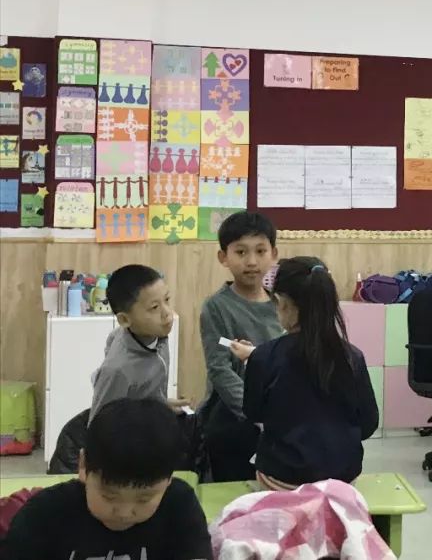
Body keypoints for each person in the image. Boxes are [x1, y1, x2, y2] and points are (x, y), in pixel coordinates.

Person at [230, 256, 379, 489]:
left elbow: (253, 412)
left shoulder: (264, 357)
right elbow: (369, 423)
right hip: (342, 479)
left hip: (282, 478)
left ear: (283, 303)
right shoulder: (353, 357)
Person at [3, 398, 212, 559]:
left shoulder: (179, 507)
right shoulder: (44, 515)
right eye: (109, 496)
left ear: (168, 480)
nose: (124, 513)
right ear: (83, 465)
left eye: (144, 499)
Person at [198, 211, 283, 481]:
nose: (252, 261)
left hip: (279, 416)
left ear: (273, 254)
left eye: (260, 251)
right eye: (241, 252)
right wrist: (257, 414)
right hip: (234, 420)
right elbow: (219, 369)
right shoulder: (217, 307)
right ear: (223, 257)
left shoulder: (283, 305)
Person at [91, 264, 185, 421]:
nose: (167, 313)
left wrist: (161, 405)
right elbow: (100, 425)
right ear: (124, 319)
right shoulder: (117, 370)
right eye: (154, 307)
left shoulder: (157, 335)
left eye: (167, 300)